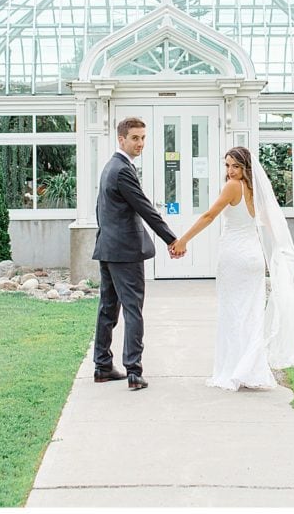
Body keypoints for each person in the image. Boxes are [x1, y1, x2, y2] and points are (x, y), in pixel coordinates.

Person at [169, 146, 294, 391]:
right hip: (254, 257)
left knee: (233, 313)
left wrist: (183, 240)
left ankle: (234, 370)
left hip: (234, 256)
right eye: (227, 165)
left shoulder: (232, 187)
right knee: (251, 313)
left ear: (245, 168)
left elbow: (209, 216)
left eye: (235, 166)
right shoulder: (257, 191)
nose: (230, 171)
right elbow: (269, 223)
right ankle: (250, 369)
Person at [92, 117, 182, 391]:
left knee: (108, 309)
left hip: (108, 248)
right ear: (121, 139)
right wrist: (172, 239)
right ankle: (134, 371)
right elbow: (144, 207)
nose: (140, 143)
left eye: (143, 138)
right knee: (133, 310)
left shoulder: (112, 167)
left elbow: (101, 210)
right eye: (135, 138)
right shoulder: (121, 170)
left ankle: (102, 366)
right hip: (125, 252)